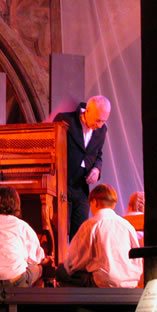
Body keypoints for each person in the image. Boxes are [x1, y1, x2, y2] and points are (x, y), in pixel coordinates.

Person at [56, 184, 143, 288]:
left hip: (104, 283)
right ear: (114, 204)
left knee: (61, 271)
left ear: (94, 202)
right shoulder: (127, 226)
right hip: (131, 282)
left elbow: (74, 261)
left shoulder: (92, 224)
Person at [54, 95, 111, 240]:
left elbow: (98, 154)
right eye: (98, 120)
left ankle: (77, 263)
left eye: (104, 121)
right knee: (59, 231)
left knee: (80, 234)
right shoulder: (66, 120)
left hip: (81, 187)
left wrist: (96, 170)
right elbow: (52, 147)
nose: (100, 125)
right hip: (61, 184)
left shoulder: (102, 130)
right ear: (87, 111)